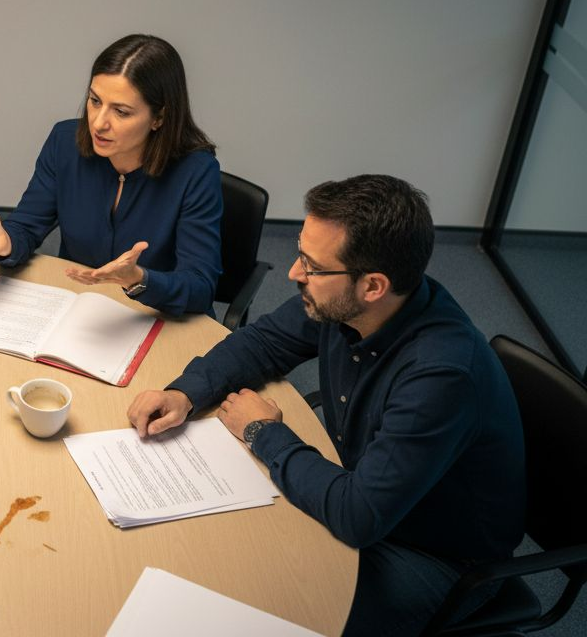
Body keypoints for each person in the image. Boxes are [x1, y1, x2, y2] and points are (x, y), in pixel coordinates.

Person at [127, 175, 526, 636]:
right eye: (300, 252)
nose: (295, 274)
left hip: (429, 554)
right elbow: (263, 342)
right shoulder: (354, 300)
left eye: (311, 266)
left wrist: (263, 433)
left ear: (373, 285)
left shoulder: (440, 376)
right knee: (202, 558)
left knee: (251, 613)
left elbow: (359, 517)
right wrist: (185, 392)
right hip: (354, 485)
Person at [0, 34, 222, 316]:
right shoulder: (64, 143)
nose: (99, 123)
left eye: (121, 112)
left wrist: (139, 279)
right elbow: (26, 227)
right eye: (95, 100)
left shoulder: (196, 172)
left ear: (159, 117)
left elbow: (199, 287)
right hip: (78, 312)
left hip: (157, 319)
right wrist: (6, 241)